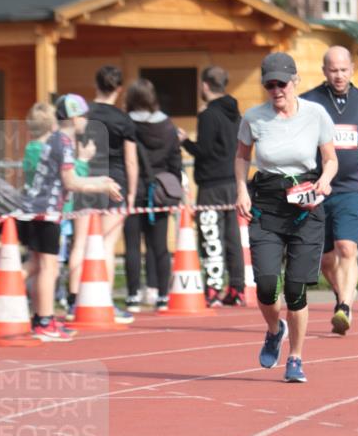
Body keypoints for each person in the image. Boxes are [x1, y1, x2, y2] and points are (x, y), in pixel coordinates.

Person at [235, 52, 337, 383]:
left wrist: (325, 180)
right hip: (267, 202)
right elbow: (241, 157)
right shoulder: (254, 117)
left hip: (306, 204)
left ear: (295, 82)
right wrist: (241, 190)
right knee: (266, 285)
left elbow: (330, 159)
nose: (277, 90)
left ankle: (295, 358)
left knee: (295, 290)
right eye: (270, 85)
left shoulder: (316, 114)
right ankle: (273, 329)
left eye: (282, 83)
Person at [20, 94, 122, 340]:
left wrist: (101, 180)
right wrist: (101, 186)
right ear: (75, 118)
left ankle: (42, 318)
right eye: (84, 115)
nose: (87, 120)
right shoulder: (64, 142)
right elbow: (71, 182)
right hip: (46, 211)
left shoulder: (56, 140)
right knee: (49, 269)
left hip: (38, 208)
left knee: (41, 267)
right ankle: (45, 320)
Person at [302, 46, 358, 335]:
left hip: (352, 186)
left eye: (343, 70)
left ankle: (345, 308)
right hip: (320, 186)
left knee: (347, 247)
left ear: (352, 69)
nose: (339, 76)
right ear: (324, 71)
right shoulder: (310, 101)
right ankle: (343, 296)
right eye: (333, 70)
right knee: (327, 259)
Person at [66, 65, 138, 323]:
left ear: (96, 85)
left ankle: (73, 301)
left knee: (80, 243)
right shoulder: (124, 119)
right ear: (119, 89)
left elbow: (72, 148)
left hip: (85, 179)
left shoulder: (82, 116)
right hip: (114, 183)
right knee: (106, 244)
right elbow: (131, 161)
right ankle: (104, 300)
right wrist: (132, 193)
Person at [177, 66, 245, 307]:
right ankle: (237, 288)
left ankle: (213, 288)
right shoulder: (236, 113)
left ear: (204, 85)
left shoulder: (208, 115)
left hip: (211, 185)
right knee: (232, 237)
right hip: (232, 181)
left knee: (210, 235)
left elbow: (203, 150)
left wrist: (185, 141)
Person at [124, 78, 182, 313]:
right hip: (160, 190)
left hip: (133, 187)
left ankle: (133, 295)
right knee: (159, 246)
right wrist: (174, 185)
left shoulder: (127, 124)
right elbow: (175, 158)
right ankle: (162, 295)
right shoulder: (167, 125)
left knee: (132, 245)